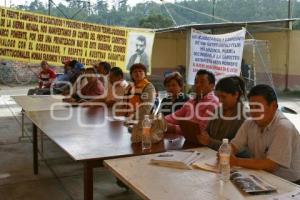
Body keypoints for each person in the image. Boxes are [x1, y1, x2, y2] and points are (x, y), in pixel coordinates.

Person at [230, 84, 300, 183]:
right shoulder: (250, 123)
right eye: (251, 107)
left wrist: (236, 161)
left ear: (274, 106)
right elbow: (234, 145)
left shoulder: (284, 127)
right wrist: (225, 151)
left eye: (258, 107)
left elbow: (271, 165)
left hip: (290, 183)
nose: (254, 111)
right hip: (262, 176)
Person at [196, 76, 246, 151]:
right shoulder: (217, 111)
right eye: (218, 97)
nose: (220, 101)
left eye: (223, 97)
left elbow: (237, 147)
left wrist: (210, 142)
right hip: (208, 153)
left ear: (236, 94)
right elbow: (207, 131)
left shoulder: (244, 117)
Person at [165, 69, 219, 134]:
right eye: (196, 82)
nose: (197, 85)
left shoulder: (213, 103)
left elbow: (200, 130)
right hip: (187, 139)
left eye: (202, 82)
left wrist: (172, 128)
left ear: (212, 86)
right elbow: (175, 116)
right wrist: (160, 121)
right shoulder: (192, 101)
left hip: (201, 143)